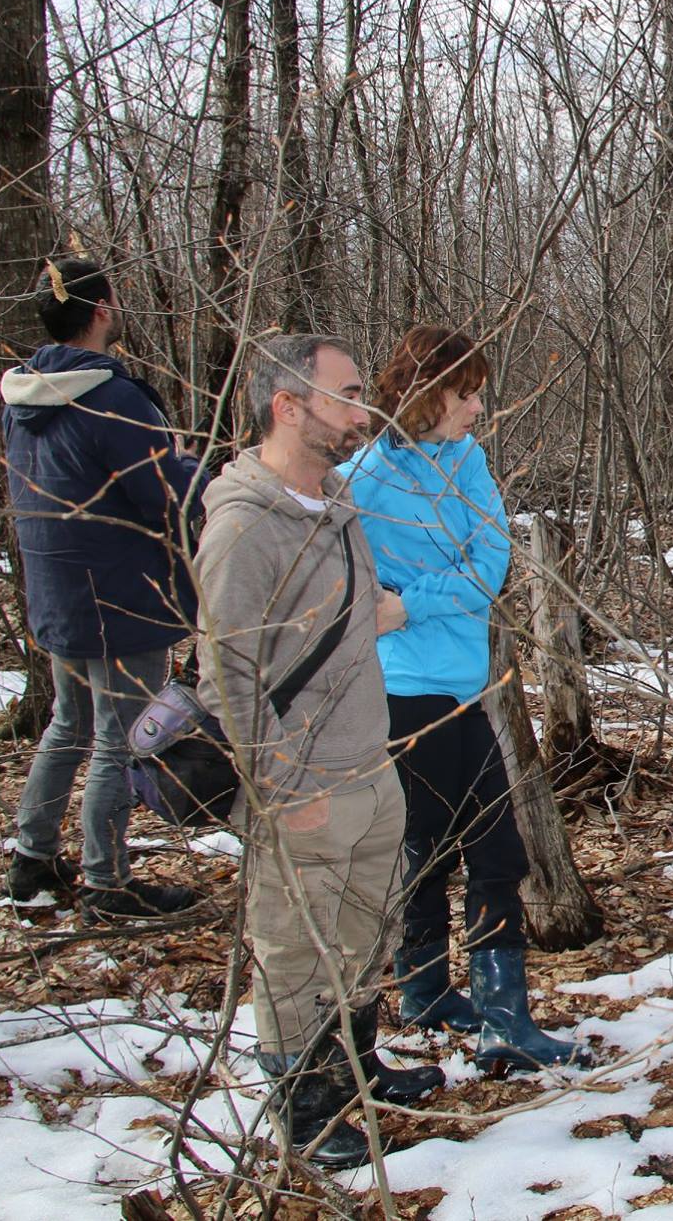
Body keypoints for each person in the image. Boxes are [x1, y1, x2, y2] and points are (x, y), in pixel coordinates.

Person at [196, 334, 442, 1169]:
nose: (362, 412)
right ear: (287, 407)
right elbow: (225, 675)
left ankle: (352, 1071)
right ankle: (304, 1112)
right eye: (346, 395)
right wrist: (281, 788)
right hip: (302, 785)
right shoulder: (243, 526)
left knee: (365, 934)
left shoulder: (336, 503)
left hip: (370, 766)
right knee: (295, 952)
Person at [342, 326, 587, 1069]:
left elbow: (490, 564)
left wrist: (412, 600)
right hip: (400, 693)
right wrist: (398, 604)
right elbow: (355, 588)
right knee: (433, 848)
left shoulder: (467, 461)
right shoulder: (361, 480)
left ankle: (484, 1011)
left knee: (480, 846)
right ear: (425, 393)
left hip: (462, 684)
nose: (480, 407)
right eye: (466, 392)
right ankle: (446, 1000)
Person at [0, 257, 203, 921]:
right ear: (101, 311)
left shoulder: (21, 401)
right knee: (121, 739)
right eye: (114, 298)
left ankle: (31, 858)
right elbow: (166, 495)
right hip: (123, 598)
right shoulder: (114, 399)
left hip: (60, 595)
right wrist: (204, 474)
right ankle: (105, 884)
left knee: (71, 724)